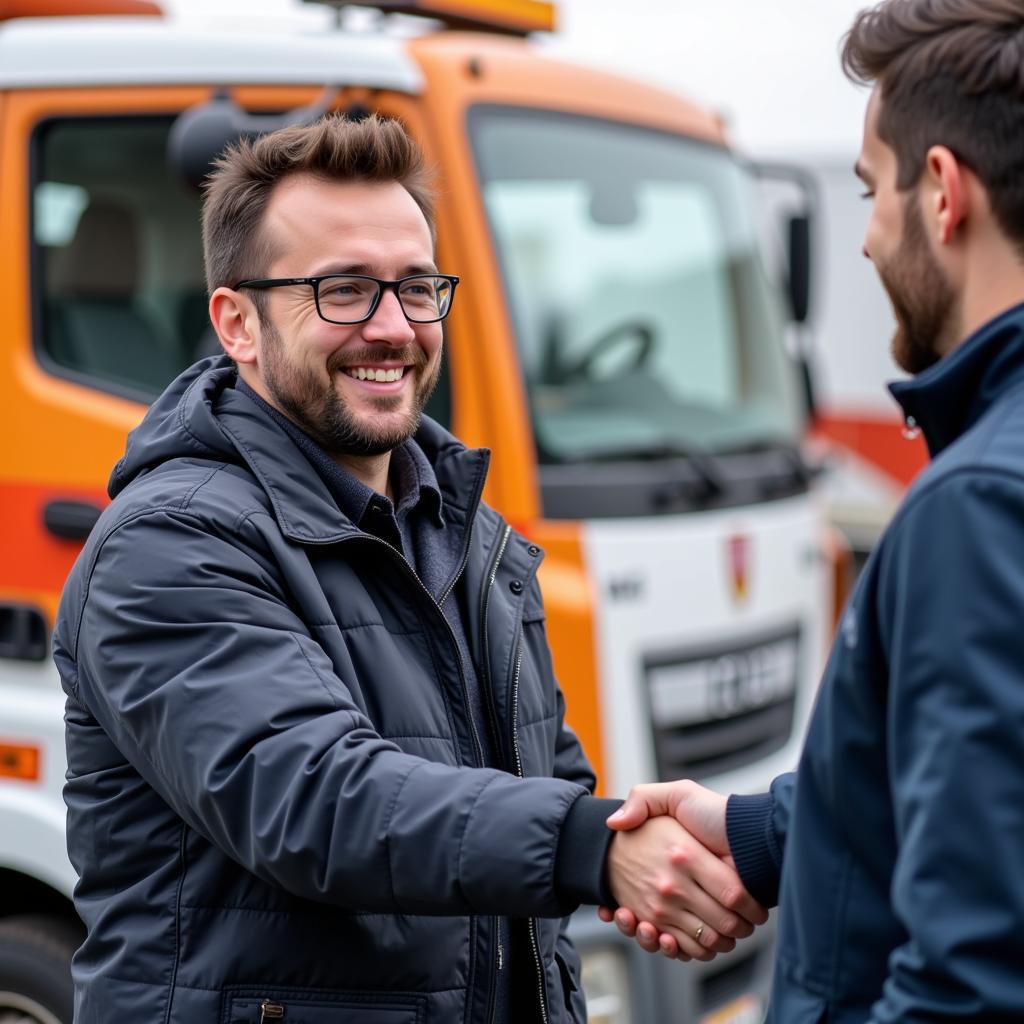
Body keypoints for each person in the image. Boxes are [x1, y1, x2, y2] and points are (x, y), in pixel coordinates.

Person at [52, 114, 767, 1024]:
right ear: (237, 322)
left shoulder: (471, 531)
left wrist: (652, 847)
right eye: (344, 290)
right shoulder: (168, 542)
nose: (393, 328)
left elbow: (539, 787)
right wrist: (597, 849)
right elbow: (317, 801)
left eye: (418, 287)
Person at [602, 1, 1024, 1020]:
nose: (869, 239)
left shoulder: (974, 506)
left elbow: (970, 978)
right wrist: (754, 828)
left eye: (870, 190)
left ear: (939, 193)